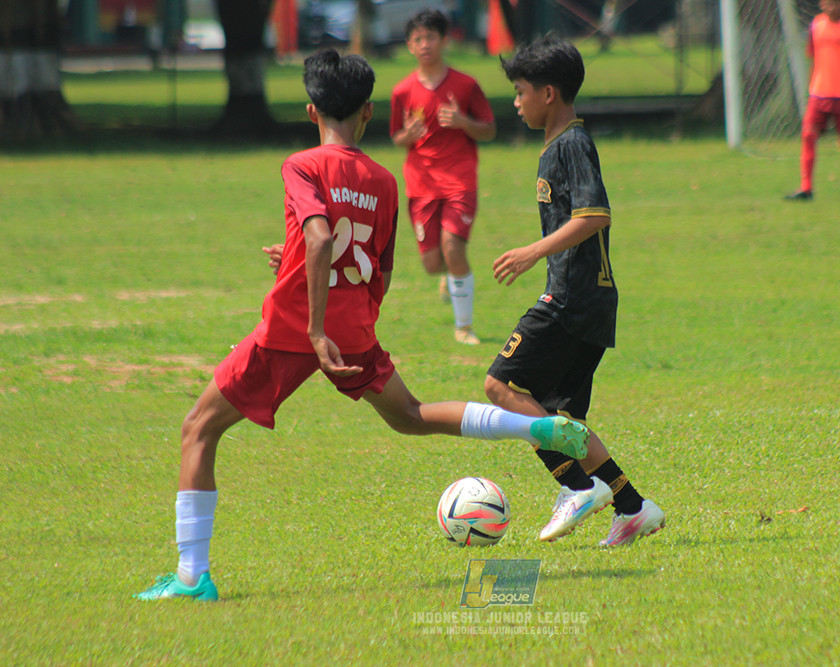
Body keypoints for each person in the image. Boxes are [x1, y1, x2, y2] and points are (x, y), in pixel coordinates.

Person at [135, 49, 588, 602]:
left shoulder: (301, 164)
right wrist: (328, 296)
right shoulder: (383, 180)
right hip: (353, 327)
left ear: (310, 111)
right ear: (369, 112)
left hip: (297, 329)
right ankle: (533, 428)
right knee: (411, 415)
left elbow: (324, 237)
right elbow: (379, 269)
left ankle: (190, 577)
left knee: (198, 429)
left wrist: (316, 328)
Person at [486, 35, 665, 547]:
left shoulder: (572, 144)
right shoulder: (557, 145)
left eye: (520, 91)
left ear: (548, 93)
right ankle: (633, 508)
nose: (515, 102)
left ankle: (575, 485)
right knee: (559, 419)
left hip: (572, 297)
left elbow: (594, 215)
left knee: (501, 388)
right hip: (588, 300)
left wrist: (532, 251)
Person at [390, 10, 497, 345]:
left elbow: (490, 130)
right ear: (409, 45)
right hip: (421, 184)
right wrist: (408, 134)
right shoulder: (402, 91)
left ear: (444, 40)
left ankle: (464, 327)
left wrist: (464, 122)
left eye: (431, 37)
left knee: (454, 249)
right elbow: (396, 137)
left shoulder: (465, 85)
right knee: (432, 263)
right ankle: (449, 276)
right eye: (418, 39)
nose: (425, 44)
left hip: (459, 180)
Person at [786, 0, 840, 203]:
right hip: (819, 94)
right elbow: (813, 60)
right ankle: (806, 188)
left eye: (832, 2)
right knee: (808, 135)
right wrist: (809, 90)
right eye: (825, 2)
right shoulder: (816, 25)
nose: (828, 6)